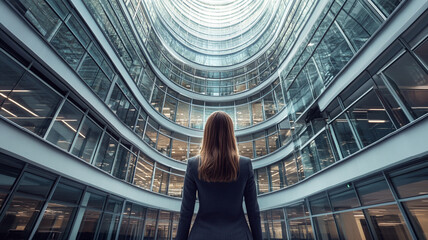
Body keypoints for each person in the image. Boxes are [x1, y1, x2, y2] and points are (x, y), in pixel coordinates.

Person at [176, 111, 262, 240]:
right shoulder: (245, 165)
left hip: (201, 234)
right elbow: (253, 211)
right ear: (230, 134)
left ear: (207, 133)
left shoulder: (193, 165)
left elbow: (186, 212)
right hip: (238, 234)